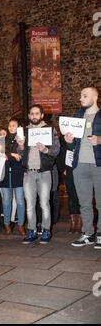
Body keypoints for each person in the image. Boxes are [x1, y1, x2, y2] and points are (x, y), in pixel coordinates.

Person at [17, 104, 60, 244]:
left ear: (42, 115)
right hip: (28, 173)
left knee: (44, 203)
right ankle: (32, 232)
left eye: (37, 113)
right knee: (29, 204)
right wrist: (21, 145)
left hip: (44, 172)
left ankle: (46, 231)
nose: (34, 116)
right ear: (29, 116)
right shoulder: (23, 131)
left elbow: (56, 150)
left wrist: (46, 149)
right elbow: (20, 154)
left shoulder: (49, 130)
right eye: (31, 113)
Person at [64, 87, 101, 249]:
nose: (81, 98)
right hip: (80, 165)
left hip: (98, 164)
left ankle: (100, 234)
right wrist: (68, 139)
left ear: (95, 97)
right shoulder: (78, 116)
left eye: (85, 96)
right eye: (80, 96)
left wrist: (100, 140)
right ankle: (87, 233)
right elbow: (72, 144)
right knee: (84, 203)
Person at [0, 118, 26, 236]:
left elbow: (22, 155)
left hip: (18, 173)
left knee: (20, 201)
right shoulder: (3, 140)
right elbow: (0, 154)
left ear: (19, 127)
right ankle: (7, 224)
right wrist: (12, 155)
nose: (11, 128)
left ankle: (21, 225)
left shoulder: (22, 140)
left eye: (14, 125)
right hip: (4, 173)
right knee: (6, 201)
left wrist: (9, 155)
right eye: (10, 126)